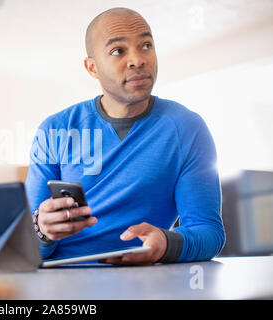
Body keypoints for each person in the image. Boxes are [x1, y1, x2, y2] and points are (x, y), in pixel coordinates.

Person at [24, 7, 225, 265]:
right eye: (118, 50)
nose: (138, 60)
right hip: (61, 280)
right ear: (92, 68)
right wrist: (42, 231)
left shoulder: (188, 128)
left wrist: (166, 244)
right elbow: (27, 248)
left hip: (145, 281)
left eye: (146, 45)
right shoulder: (54, 129)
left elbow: (209, 232)